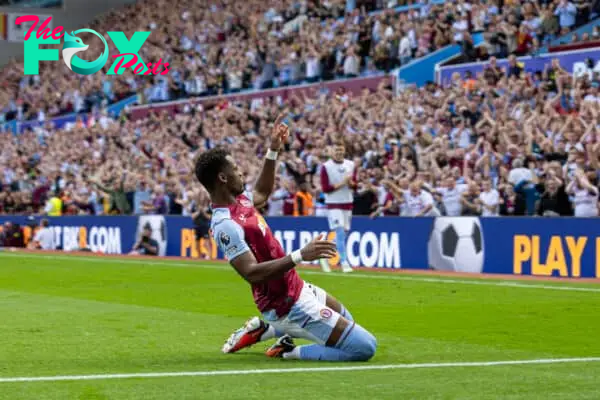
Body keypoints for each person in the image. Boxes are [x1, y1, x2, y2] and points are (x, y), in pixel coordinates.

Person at [193, 116, 376, 362]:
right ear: (223, 178)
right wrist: (301, 255)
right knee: (364, 347)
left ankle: (267, 329)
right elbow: (251, 273)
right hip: (286, 305)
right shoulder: (225, 224)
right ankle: (288, 351)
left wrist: (273, 151)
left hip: (297, 288)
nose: (240, 172)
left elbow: (262, 192)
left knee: (349, 322)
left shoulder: (241, 201)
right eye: (235, 170)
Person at [319, 141, 355, 273]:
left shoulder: (350, 165)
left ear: (344, 151)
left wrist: (350, 183)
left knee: (343, 233)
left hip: (348, 202)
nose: (339, 152)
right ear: (332, 152)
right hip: (333, 204)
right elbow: (325, 188)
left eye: (341, 150)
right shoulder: (326, 166)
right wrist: (342, 183)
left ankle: (322, 255)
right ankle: (344, 262)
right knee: (339, 231)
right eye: (336, 150)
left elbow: (354, 186)